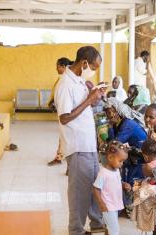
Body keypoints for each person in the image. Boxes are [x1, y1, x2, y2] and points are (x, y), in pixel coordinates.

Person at [54, 46, 106, 235]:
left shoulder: (79, 81)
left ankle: (97, 224)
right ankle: (76, 230)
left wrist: (96, 95)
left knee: (93, 186)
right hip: (77, 146)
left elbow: (87, 108)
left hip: (89, 144)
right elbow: (64, 117)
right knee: (79, 192)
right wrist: (89, 100)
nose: (94, 70)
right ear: (84, 63)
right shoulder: (65, 84)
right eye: (94, 66)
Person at [93, 141, 128, 235]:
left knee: (110, 227)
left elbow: (117, 182)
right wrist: (101, 203)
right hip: (108, 206)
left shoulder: (116, 170)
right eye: (120, 161)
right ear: (110, 157)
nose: (122, 164)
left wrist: (124, 184)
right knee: (115, 230)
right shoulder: (103, 173)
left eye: (123, 161)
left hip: (114, 204)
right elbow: (96, 188)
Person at [47, 57, 73, 166]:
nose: (56, 68)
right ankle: (61, 158)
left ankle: (64, 161)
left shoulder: (67, 80)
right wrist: (53, 102)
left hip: (67, 113)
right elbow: (57, 92)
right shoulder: (62, 78)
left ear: (63, 66)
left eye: (57, 66)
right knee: (64, 137)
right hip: (62, 112)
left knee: (66, 137)